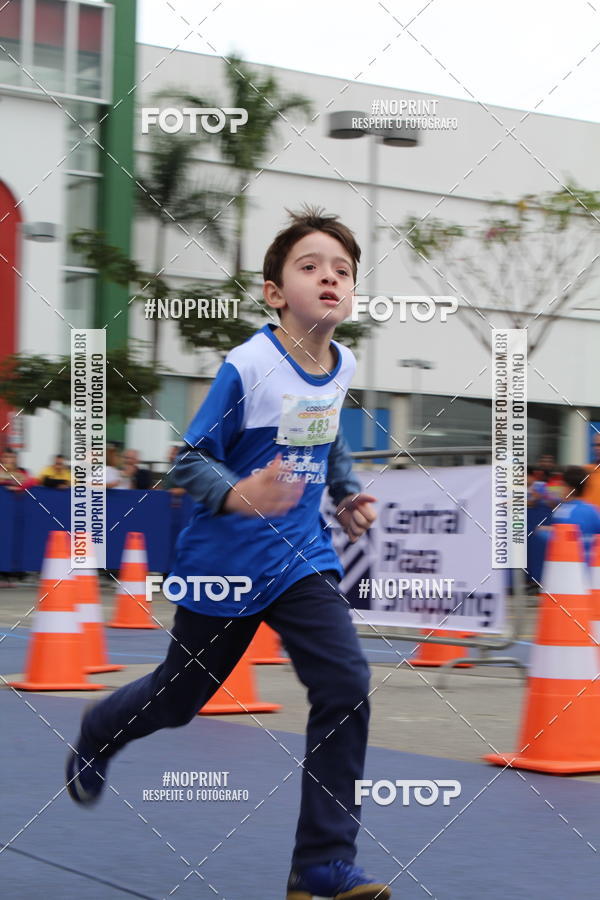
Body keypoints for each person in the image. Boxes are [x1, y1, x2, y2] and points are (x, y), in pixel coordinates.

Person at [65, 208, 390, 899]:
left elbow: (327, 433)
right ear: (274, 292)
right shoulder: (248, 367)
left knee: (346, 685)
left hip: (301, 559)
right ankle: (101, 728)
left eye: (342, 270)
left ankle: (321, 863)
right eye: (310, 266)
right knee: (179, 699)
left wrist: (345, 492)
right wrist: (241, 494)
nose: (330, 278)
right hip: (224, 563)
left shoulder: (343, 364)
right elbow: (189, 460)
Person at [582, 431, 600, 509]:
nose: (597, 448)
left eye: (599, 445)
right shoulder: (586, 470)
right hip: (587, 515)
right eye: (596, 445)